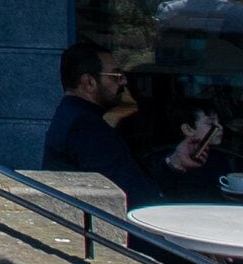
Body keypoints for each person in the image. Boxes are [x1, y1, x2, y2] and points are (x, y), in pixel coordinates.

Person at [41, 43, 223, 207]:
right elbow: (123, 190)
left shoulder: (81, 120)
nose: (124, 81)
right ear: (89, 82)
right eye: (116, 76)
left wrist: (174, 162)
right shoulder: (83, 126)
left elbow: (129, 181)